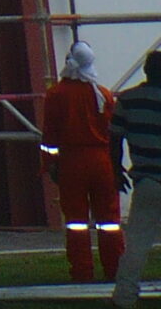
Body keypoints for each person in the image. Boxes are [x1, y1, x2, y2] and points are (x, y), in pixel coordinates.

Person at [46, 40, 123, 282]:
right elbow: (114, 132)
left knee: (76, 222)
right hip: (102, 161)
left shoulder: (57, 94)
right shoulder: (103, 94)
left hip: (72, 162)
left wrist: (50, 163)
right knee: (109, 221)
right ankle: (115, 269)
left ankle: (82, 271)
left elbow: (50, 135)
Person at [110, 50, 161, 307]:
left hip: (146, 181)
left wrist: (116, 170)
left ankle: (125, 296)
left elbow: (115, 138)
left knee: (137, 245)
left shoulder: (128, 100)